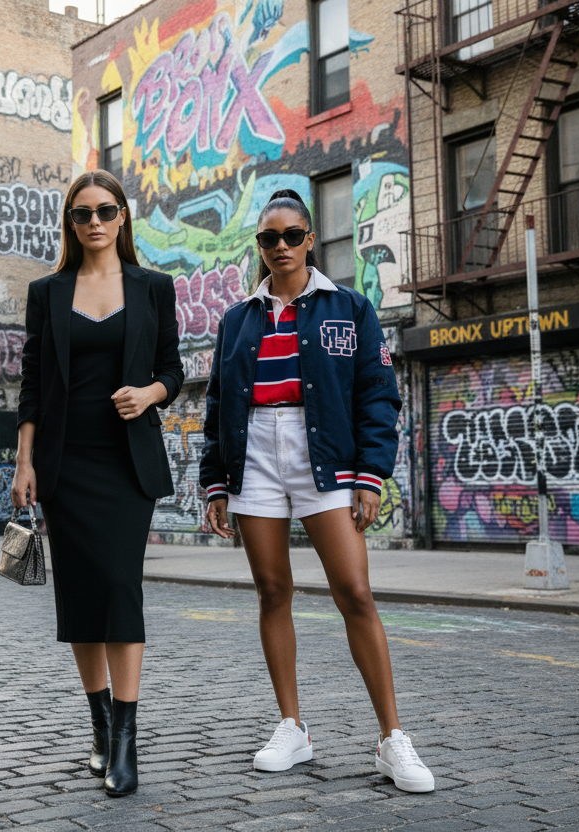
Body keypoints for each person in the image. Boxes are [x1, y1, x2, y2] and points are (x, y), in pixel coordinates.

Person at [200, 189, 435, 793]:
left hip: (323, 456)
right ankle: (292, 727)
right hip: (255, 458)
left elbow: (377, 394)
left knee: (355, 590)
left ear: (310, 239)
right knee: (272, 589)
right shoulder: (237, 320)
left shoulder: (348, 307)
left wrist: (371, 473)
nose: (279, 247)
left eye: (290, 235)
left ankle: (392, 738)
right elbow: (219, 404)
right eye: (267, 238)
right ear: (260, 246)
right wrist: (215, 482)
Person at [12, 170, 183, 797]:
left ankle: (127, 742)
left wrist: (151, 392)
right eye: (81, 214)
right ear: (70, 222)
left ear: (123, 217)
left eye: (105, 211)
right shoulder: (48, 292)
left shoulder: (153, 287)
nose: (94, 223)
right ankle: (99, 726)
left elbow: (174, 367)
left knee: (119, 586)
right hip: (65, 460)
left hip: (125, 460)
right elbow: (32, 383)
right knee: (81, 597)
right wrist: (25, 461)